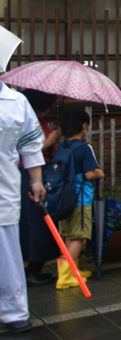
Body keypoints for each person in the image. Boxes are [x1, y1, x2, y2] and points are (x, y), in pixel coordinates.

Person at [0, 80, 46, 333]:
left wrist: (37, 179)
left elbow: (30, 144)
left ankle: (13, 312)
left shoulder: (17, 102)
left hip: (4, 184)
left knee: (6, 253)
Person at [53, 110, 104, 289]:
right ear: (84, 126)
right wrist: (99, 173)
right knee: (79, 236)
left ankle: (71, 270)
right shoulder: (84, 147)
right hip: (81, 198)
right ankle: (66, 276)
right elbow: (90, 173)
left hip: (63, 197)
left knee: (68, 235)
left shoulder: (62, 146)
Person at [18, 90, 60, 287]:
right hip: (27, 175)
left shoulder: (35, 119)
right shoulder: (24, 118)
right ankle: (27, 268)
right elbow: (26, 149)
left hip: (39, 174)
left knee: (39, 224)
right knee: (31, 224)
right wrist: (50, 141)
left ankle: (34, 265)